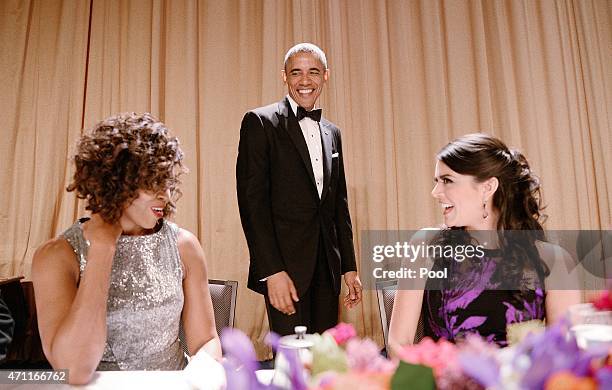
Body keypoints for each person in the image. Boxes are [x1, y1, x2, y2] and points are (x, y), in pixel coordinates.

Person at [31, 113, 221, 384]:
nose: (165, 195)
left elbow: (207, 342)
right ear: (117, 181)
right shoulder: (57, 256)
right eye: (152, 181)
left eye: (167, 182)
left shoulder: (184, 246)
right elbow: (75, 370)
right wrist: (103, 248)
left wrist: (201, 376)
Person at [388, 133, 581, 352]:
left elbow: (565, 354)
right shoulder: (425, 246)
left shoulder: (554, 260)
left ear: (487, 188)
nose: (436, 192)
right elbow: (398, 343)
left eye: (447, 181)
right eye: (437, 181)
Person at [236, 43, 362, 336]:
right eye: (296, 73)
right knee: (291, 366)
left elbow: (338, 206)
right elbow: (252, 205)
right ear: (285, 76)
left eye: (313, 72)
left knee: (323, 362)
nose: (305, 81)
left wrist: (349, 268)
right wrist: (271, 272)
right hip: (284, 271)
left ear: (326, 76)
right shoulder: (260, 122)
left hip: (327, 269)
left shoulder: (333, 132)